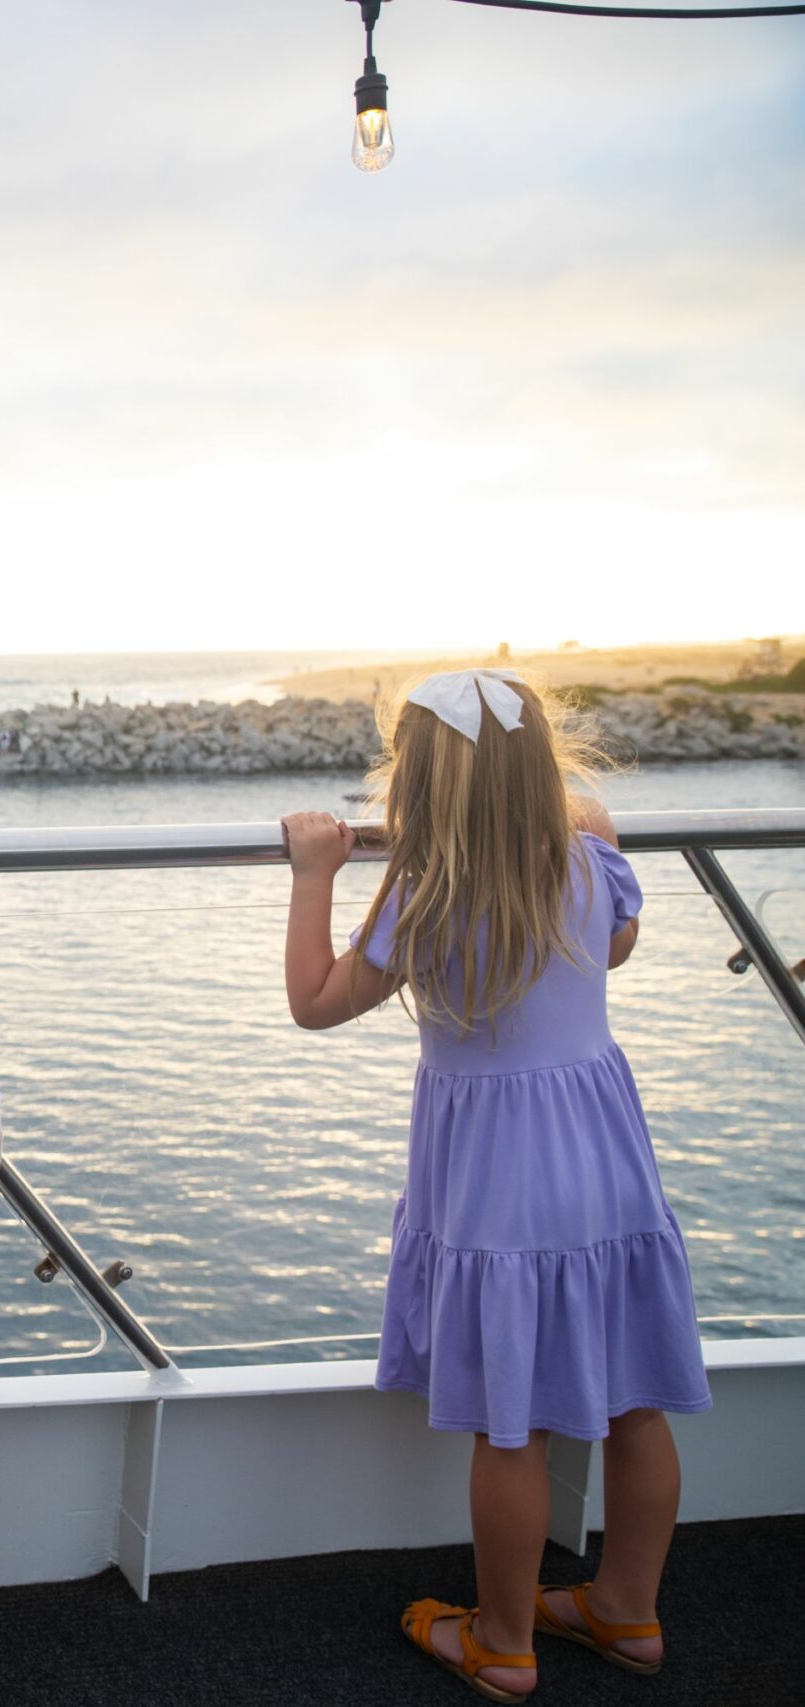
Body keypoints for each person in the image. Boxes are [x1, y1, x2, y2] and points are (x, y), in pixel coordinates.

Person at [280, 667, 709, 1703]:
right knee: (634, 1402)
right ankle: (626, 1610)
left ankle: (504, 1641)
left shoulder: (421, 896)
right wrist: (581, 823)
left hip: (496, 1181)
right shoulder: (591, 861)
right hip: (605, 1161)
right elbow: (617, 945)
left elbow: (315, 1002)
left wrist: (314, 872)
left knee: (509, 1423)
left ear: (417, 785)